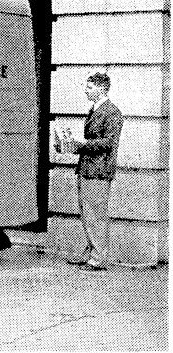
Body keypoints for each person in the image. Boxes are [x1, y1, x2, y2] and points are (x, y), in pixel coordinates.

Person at [63, 72, 123, 271]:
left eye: (89, 88)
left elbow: (108, 143)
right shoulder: (96, 110)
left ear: (102, 89)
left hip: (97, 171)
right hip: (88, 169)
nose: (86, 91)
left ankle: (98, 259)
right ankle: (92, 253)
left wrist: (81, 145)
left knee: (95, 214)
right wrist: (70, 146)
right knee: (88, 213)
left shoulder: (111, 112)